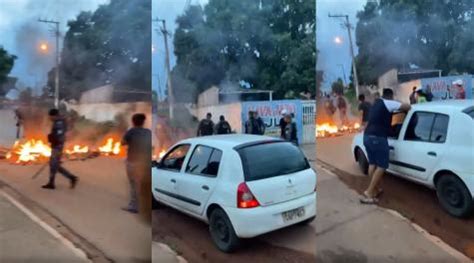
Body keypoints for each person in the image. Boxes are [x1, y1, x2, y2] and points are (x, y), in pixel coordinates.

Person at [360, 89, 411, 204]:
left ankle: (375, 190)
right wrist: (398, 103)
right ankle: (369, 192)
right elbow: (408, 107)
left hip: (367, 136)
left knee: (372, 164)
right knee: (382, 166)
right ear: (391, 96)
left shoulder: (376, 104)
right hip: (378, 138)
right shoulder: (388, 102)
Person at [121, 113, 152, 214]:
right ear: (143, 122)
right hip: (145, 162)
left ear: (133, 122)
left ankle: (134, 206)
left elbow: (122, 143)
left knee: (134, 184)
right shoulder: (148, 132)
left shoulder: (131, 132)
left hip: (133, 162)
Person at [42, 109, 78, 190]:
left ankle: (71, 178)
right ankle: (53, 182)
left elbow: (60, 135)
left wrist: (54, 141)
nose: (50, 118)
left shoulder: (59, 123)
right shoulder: (59, 121)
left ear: (54, 115)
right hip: (57, 145)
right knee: (55, 165)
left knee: (54, 165)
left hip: (57, 146)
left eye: (51, 117)